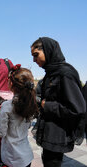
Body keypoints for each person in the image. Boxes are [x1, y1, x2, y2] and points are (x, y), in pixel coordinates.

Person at [31, 37, 86, 167]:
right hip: (48, 131)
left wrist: (46, 105)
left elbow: (77, 109)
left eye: (36, 55)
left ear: (48, 51)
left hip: (58, 134)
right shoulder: (50, 73)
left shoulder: (65, 73)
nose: (34, 60)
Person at [0, 65, 38, 167]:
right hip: (26, 157)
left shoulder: (7, 106)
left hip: (12, 158)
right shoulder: (31, 103)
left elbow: (1, 133)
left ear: (11, 84)